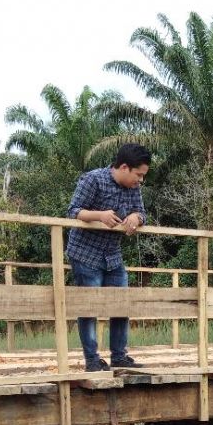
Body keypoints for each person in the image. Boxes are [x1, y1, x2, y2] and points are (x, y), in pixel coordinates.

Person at [66, 143, 151, 372]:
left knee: (120, 305)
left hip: (113, 255)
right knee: (89, 307)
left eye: (143, 176)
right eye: (138, 175)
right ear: (124, 167)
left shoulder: (133, 188)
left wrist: (136, 217)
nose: (140, 180)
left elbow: (142, 213)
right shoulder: (93, 179)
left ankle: (119, 357)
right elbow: (74, 211)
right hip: (85, 253)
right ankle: (92, 360)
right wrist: (100, 216)